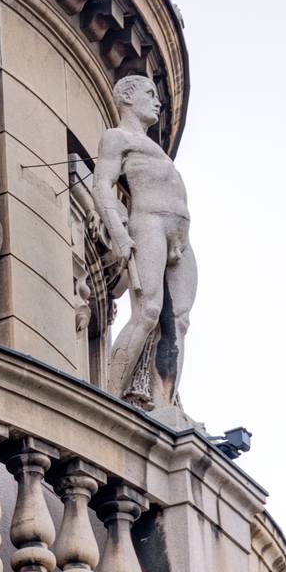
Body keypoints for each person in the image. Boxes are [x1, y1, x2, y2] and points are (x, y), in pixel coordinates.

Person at [93, 74, 196, 407]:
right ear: (126, 96)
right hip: (149, 225)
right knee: (148, 311)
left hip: (181, 237)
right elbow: (101, 186)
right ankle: (110, 395)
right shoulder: (117, 137)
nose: (158, 101)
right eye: (150, 93)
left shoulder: (154, 148)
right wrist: (119, 232)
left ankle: (164, 404)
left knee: (179, 320)